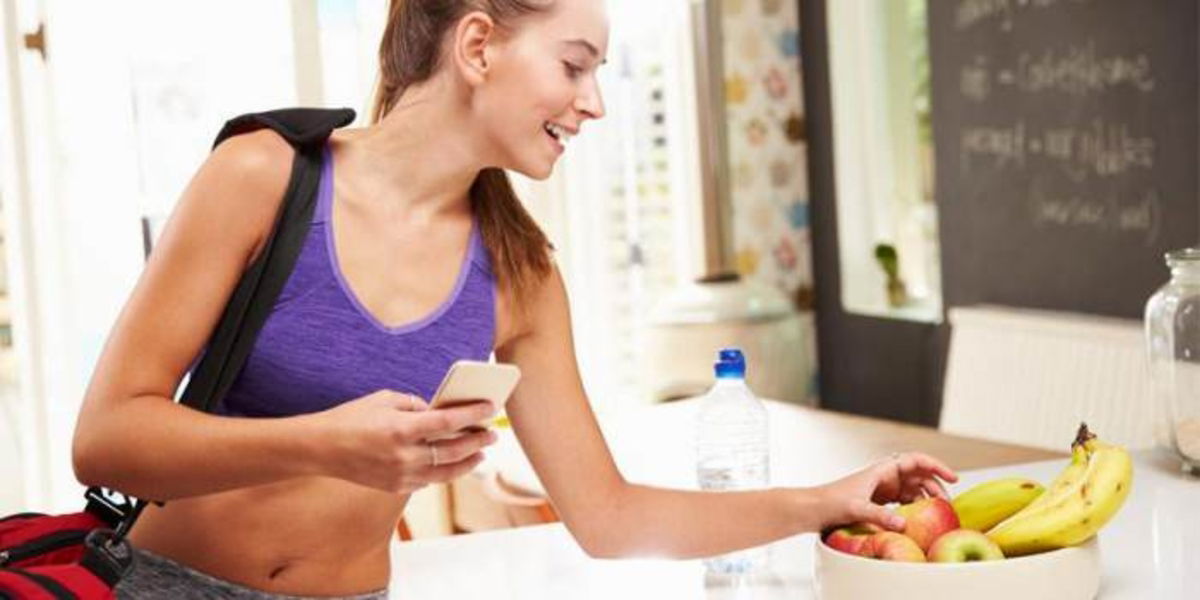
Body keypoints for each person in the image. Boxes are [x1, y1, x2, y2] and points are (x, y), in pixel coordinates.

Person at [71, 0, 958, 597]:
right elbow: (107, 439)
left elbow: (609, 519)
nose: (595, 103)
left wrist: (825, 501)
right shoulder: (263, 177)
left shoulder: (519, 271)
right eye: (575, 66)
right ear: (479, 45)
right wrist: (332, 444)